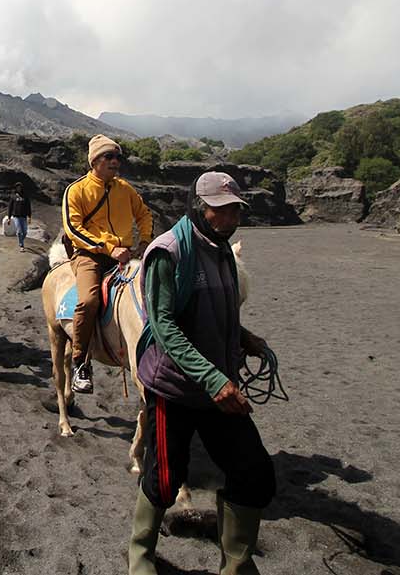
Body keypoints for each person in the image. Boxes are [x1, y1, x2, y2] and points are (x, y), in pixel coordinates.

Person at [127, 171, 275, 575]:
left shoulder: (223, 250)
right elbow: (164, 326)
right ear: (198, 207)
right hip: (175, 389)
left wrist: (243, 336)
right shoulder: (169, 251)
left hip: (218, 388)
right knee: (164, 479)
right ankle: (140, 558)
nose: (231, 218)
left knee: (254, 471)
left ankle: (237, 565)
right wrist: (213, 379)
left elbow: (216, 309)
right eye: (220, 210)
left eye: (235, 211)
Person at [61, 134, 153, 394]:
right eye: (108, 157)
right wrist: (108, 247)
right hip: (89, 256)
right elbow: (73, 228)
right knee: (89, 300)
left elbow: (144, 214)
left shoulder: (125, 189)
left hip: (124, 254)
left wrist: (145, 241)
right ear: (94, 161)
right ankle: (80, 362)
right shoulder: (76, 190)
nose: (115, 162)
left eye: (117, 157)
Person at [6, 182, 32, 251]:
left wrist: (29, 217)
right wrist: (9, 218)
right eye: (17, 187)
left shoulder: (25, 196)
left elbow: (28, 207)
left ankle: (21, 240)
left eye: (20, 187)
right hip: (16, 217)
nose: (19, 188)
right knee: (19, 231)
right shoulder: (13, 196)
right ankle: (21, 245)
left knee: (25, 232)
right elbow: (10, 207)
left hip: (24, 217)